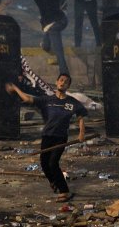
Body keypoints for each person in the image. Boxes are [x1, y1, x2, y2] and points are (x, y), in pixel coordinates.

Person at [5, 74, 86, 203]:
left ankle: (64, 191)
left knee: (53, 163)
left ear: (68, 86)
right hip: (47, 135)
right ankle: (53, 181)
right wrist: (15, 88)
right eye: (61, 80)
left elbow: (81, 116)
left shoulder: (72, 102)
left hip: (60, 137)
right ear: (56, 82)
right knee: (44, 163)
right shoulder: (47, 100)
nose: (62, 83)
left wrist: (81, 133)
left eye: (66, 82)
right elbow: (27, 98)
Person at [29, 0, 70, 74]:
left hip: (52, 24)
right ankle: (45, 45)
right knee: (49, 31)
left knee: (58, 51)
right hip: (63, 20)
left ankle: (64, 72)